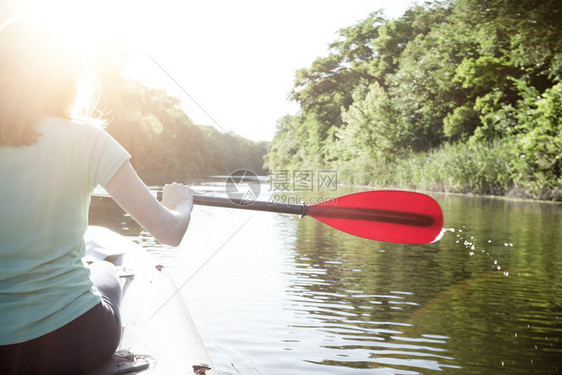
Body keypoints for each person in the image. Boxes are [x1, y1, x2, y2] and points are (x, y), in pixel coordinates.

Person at [0, 16, 194, 374]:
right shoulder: (87, 139)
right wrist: (180, 203)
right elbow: (170, 232)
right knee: (104, 267)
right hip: (70, 340)